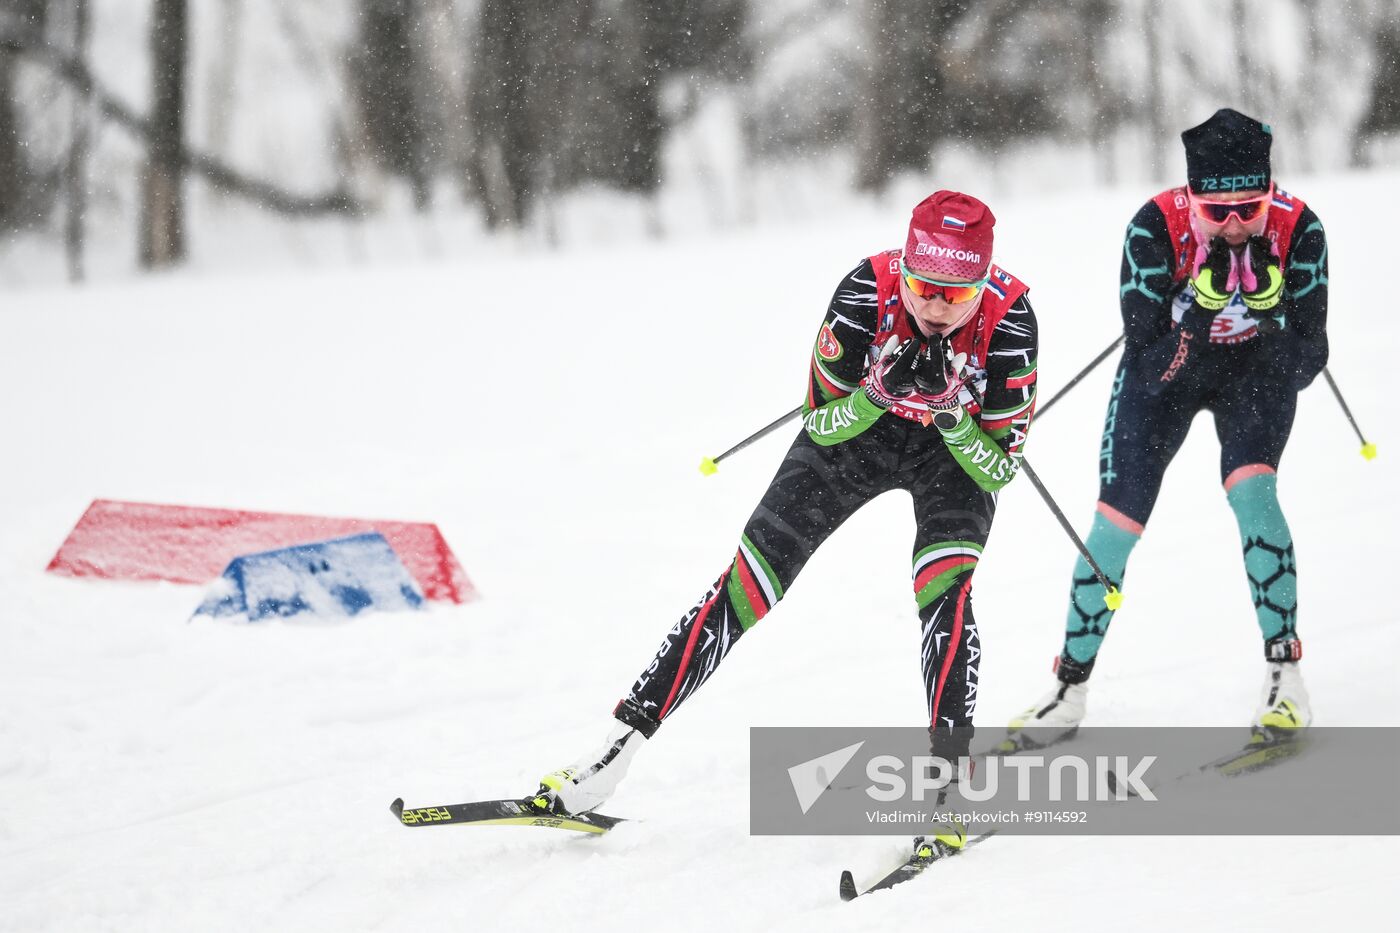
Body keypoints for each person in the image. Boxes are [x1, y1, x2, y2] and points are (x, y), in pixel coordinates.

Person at [535, 191, 1039, 856]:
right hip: (853, 440)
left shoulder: (1010, 321)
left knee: (945, 594)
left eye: (956, 294)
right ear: (905, 270)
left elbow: (999, 469)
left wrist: (950, 416)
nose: (935, 306)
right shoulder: (867, 292)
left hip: (952, 459)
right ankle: (608, 758)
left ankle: (948, 790)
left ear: (982, 285)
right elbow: (820, 420)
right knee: (744, 587)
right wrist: (876, 397)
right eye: (922, 286)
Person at [1007, 109, 1328, 749]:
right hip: (1168, 379)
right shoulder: (1155, 227)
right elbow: (1151, 366)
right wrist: (1199, 316)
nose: (1235, 224)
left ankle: (1286, 674)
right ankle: (1068, 689)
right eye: (1217, 211)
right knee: (1116, 525)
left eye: (1249, 206)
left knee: (1253, 494)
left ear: (1270, 194)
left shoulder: (1301, 229)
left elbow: (1307, 361)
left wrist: (1268, 317)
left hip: (1254, 378)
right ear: (1191, 199)